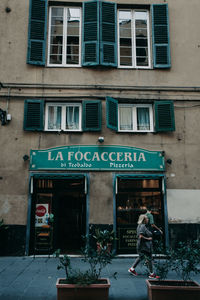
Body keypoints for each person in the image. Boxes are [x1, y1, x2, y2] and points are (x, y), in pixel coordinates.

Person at [128, 214, 159, 279]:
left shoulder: (141, 226)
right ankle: (151, 274)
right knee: (149, 259)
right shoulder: (142, 226)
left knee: (141, 257)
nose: (148, 219)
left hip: (142, 246)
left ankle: (132, 269)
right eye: (147, 219)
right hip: (144, 246)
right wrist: (148, 239)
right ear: (144, 220)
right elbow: (140, 236)